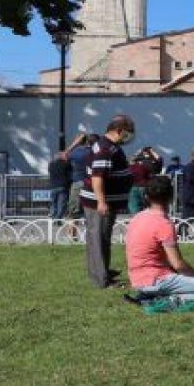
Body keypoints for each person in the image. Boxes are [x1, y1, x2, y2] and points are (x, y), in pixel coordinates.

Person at [124, 176, 194, 306]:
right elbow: (178, 264)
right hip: (157, 279)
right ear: (171, 197)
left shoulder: (136, 218)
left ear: (146, 196)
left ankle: (150, 296)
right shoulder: (164, 224)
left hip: (136, 280)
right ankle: (159, 299)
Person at [81, 115, 136, 289]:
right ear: (118, 131)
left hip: (103, 201)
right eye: (128, 134)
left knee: (101, 238)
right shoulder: (105, 149)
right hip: (99, 203)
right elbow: (98, 177)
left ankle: (102, 271)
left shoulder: (108, 146)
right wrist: (101, 201)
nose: (129, 137)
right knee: (99, 239)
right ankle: (101, 279)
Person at [65, 134, 92, 223]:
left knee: (73, 210)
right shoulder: (92, 151)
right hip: (91, 182)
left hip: (78, 182)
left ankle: (73, 235)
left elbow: (64, 155)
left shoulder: (76, 152)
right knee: (90, 208)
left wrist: (74, 144)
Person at [47, 149, 70, 220]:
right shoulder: (65, 164)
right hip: (62, 186)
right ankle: (58, 218)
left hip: (53, 186)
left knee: (53, 203)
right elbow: (70, 171)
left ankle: (53, 217)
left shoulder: (51, 165)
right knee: (61, 203)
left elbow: (49, 170)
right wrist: (66, 159)